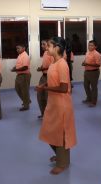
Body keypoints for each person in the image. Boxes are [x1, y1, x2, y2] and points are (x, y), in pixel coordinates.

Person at [36, 37, 77, 175]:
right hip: (53, 103)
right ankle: (61, 156)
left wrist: (45, 89)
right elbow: (54, 82)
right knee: (50, 131)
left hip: (62, 104)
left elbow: (64, 88)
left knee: (60, 134)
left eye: (49, 46)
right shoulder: (53, 63)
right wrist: (44, 85)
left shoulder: (62, 64)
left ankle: (63, 163)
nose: (46, 48)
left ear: (57, 47)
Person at [36, 39, 54, 119]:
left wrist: (43, 68)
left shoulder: (52, 54)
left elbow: (52, 66)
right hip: (43, 76)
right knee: (40, 95)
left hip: (49, 76)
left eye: (44, 44)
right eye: (41, 44)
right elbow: (45, 64)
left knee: (48, 97)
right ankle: (43, 113)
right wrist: (41, 67)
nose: (42, 46)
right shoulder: (45, 53)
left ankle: (49, 115)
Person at [11, 44, 31, 111]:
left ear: (23, 48)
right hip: (20, 75)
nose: (17, 50)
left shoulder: (25, 56)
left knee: (24, 91)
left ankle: (26, 106)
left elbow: (25, 67)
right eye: (16, 48)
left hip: (24, 75)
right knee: (17, 88)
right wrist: (15, 67)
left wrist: (15, 70)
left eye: (19, 48)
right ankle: (27, 100)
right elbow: (19, 65)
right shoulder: (20, 55)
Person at [81, 40, 101, 107]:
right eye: (89, 45)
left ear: (95, 46)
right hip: (87, 72)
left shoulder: (97, 54)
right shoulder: (87, 52)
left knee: (94, 88)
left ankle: (93, 102)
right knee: (86, 86)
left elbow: (98, 65)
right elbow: (86, 60)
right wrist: (84, 62)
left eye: (92, 45)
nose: (89, 46)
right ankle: (89, 98)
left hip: (94, 72)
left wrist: (87, 64)